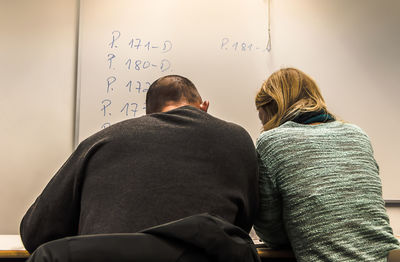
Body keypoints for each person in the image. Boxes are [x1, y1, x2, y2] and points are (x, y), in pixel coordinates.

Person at [20, 75, 259, 254]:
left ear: (149, 115)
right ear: (204, 108)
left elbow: (35, 232)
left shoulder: (99, 143)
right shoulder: (237, 139)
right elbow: (243, 224)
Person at [253, 68, 399, 261]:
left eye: (261, 116)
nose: (263, 124)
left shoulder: (272, 142)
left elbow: (270, 227)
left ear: (271, 108)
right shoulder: (357, 134)